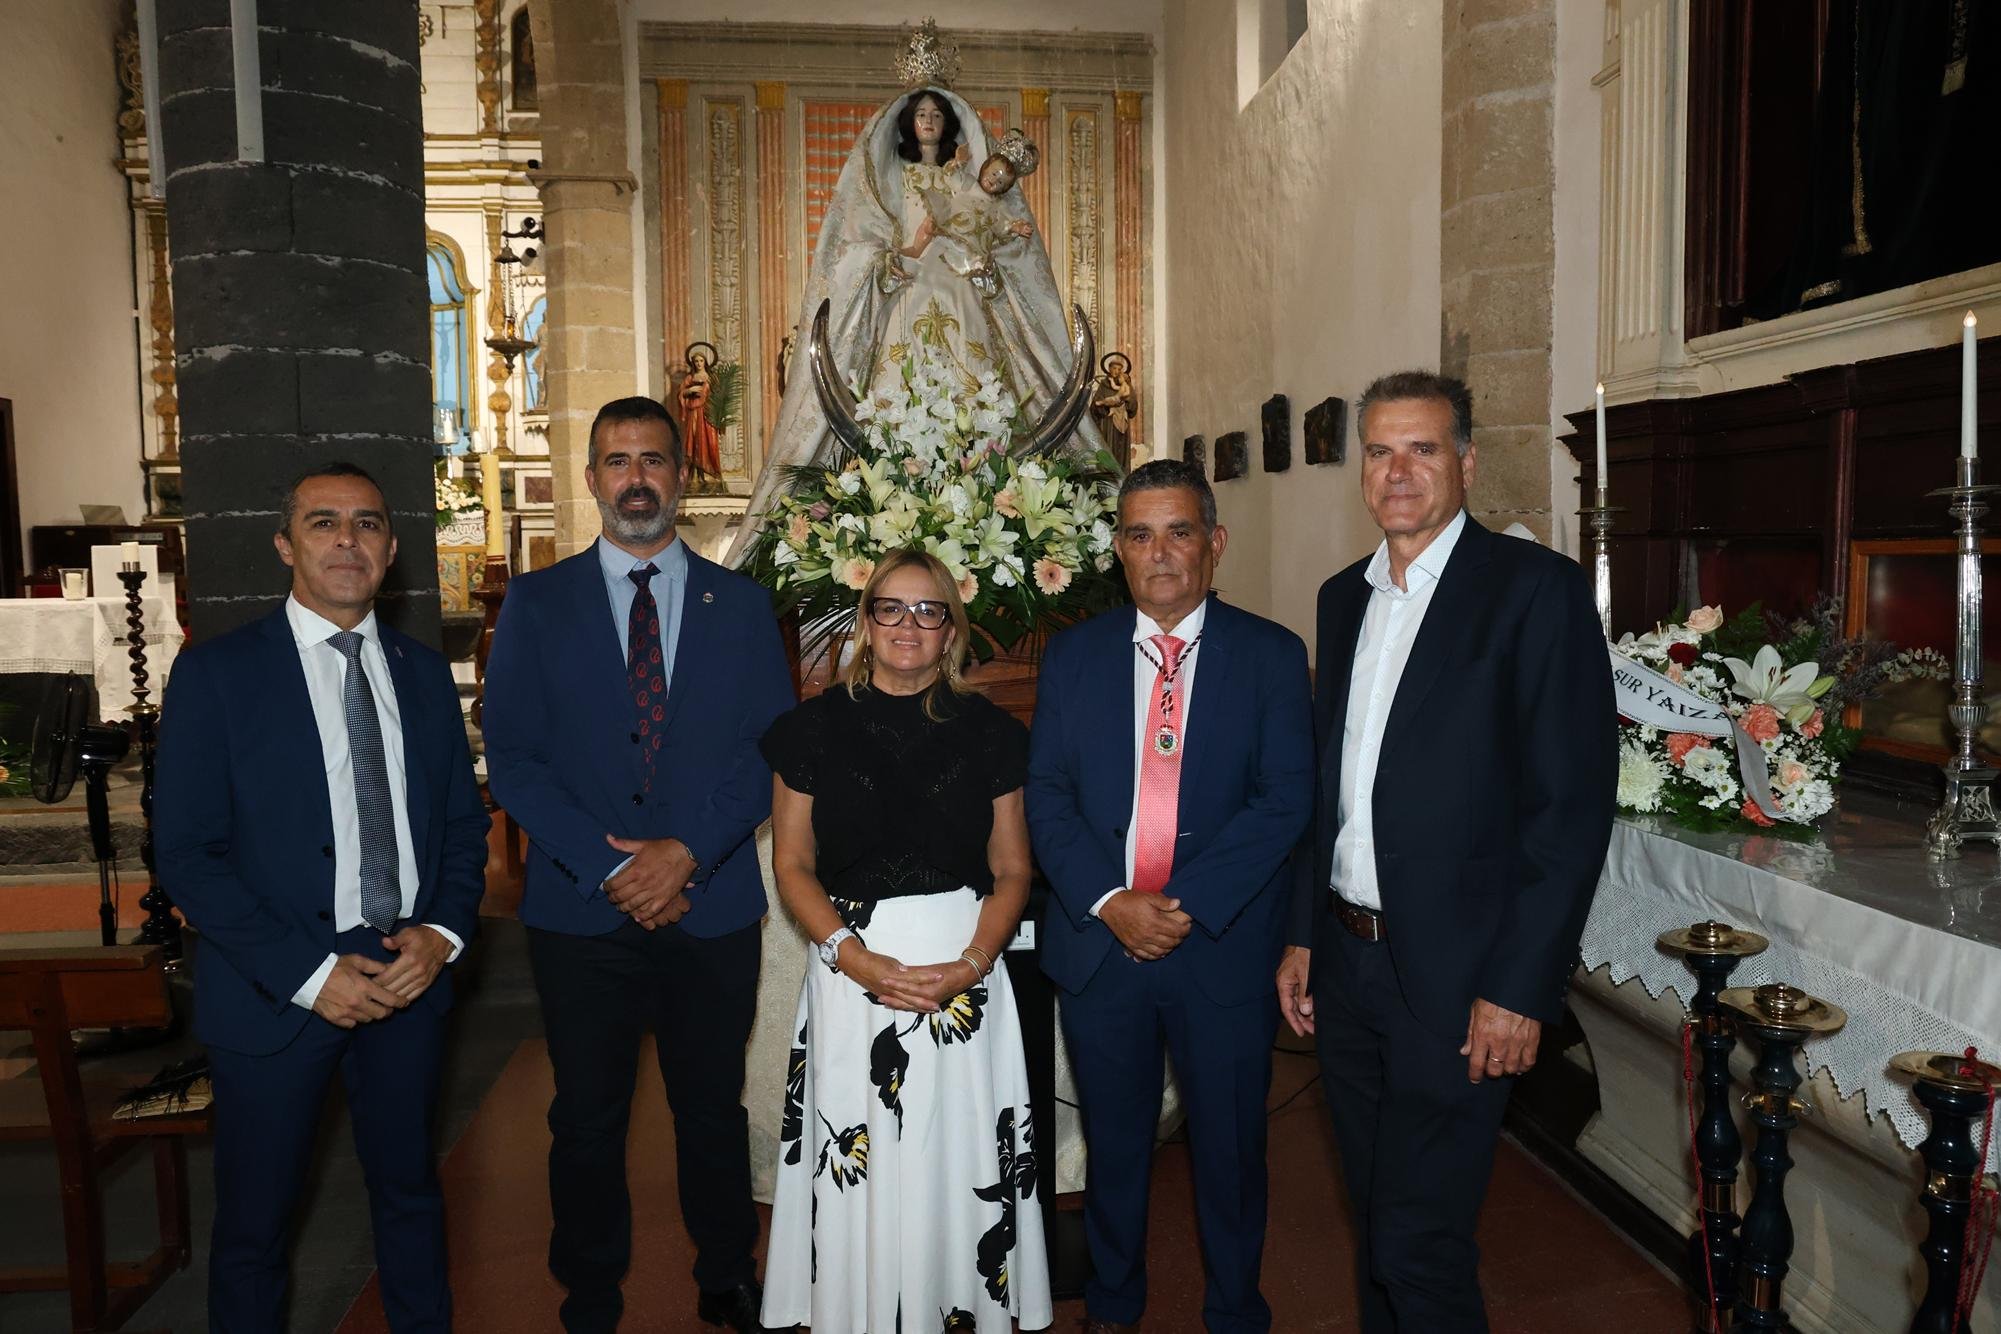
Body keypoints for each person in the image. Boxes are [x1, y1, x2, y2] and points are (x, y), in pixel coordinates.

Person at [1275, 371, 1616, 1333]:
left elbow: (1569, 809)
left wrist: (1519, 987)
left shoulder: (1533, 592)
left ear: (1464, 463)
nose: (1398, 471)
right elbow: (1331, 791)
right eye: (1380, 451)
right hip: (1348, 967)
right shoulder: (1343, 598)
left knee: (1418, 1242)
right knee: (1378, 1220)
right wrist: (1306, 935)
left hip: (1460, 976)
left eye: (1421, 449)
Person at [481, 396, 795, 1334]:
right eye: (617, 462)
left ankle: (726, 1272)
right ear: (590, 481)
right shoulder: (536, 604)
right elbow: (516, 756)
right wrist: (608, 867)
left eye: (653, 460)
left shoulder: (739, 606)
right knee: (585, 1114)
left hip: (712, 903)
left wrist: (687, 851)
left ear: (680, 478)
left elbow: (766, 748)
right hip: (583, 914)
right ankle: (588, 1286)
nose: (636, 480)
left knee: (710, 1106)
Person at [155, 461, 489, 1333]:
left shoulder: (421, 675)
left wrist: (443, 933)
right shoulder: (219, 676)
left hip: (406, 977)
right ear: (284, 544)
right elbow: (187, 856)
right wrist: (310, 973)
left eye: (369, 523)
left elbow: (460, 827)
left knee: (412, 1200)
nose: (349, 539)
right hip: (278, 987)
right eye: (324, 522)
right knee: (255, 1229)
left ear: (391, 548)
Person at [1026, 459, 1314, 1334]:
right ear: (1118, 550)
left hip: (1218, 947)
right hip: (1099, 944)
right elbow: (1046, 793)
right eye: (1140, 535)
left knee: (1229, 1150)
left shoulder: (1270, 655)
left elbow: (1284, 799)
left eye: (1179, 531)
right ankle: (1112, 1304)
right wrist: (1112, 900)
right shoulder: (1073, 655)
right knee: (1113, 1148)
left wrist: (1177, 907)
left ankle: (1234, 1308)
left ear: (1214, 543)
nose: (1160, 553)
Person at [759, 547, 1052, 1333]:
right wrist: (851, 957)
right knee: (863, 1150)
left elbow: (1011, 869)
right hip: (849, 963)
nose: (909, 625)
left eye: (930, 611)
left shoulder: (992, 733)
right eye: (891, 607)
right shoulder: (808, 730)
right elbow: (792, 864)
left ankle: (957, 1306)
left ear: (952, 630)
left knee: (953, 1153)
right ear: (864, 621)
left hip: (964, 969)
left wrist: (970, 964)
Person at [730, 78, 1100, 564]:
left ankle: (980, 485)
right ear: (909, 122)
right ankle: (898, 480)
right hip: (909, 293)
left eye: (937, 115)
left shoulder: (964, 179)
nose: (928, 121)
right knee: (898, 384)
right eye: (922, 114)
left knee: (978, 385)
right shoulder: (895, 179)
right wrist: (906, 253)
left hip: (962, 290)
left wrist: (992, 255)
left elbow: (990, 233)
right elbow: (872, 247)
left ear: (949, 125)